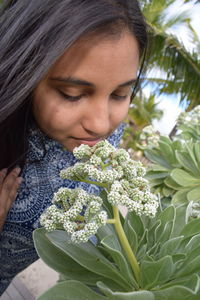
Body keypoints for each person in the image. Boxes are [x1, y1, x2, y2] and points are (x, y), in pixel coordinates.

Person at [0, 0, 148, 295]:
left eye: (120, 94)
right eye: (72, 94)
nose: (101, 124)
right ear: (23, 72)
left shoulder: (108, 130)